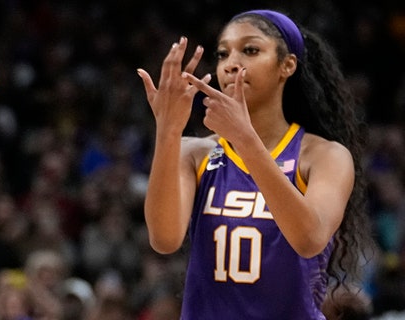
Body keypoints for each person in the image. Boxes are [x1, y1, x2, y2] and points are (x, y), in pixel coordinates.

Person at [137, 9, 374, 319]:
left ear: (287, 65)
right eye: (223, 54)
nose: (231, 63)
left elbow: (310, 239)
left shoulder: (324, 155)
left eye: (250, 50)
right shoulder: (193, 152)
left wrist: (246, 141)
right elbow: (164, 240)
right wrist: (168, 131)